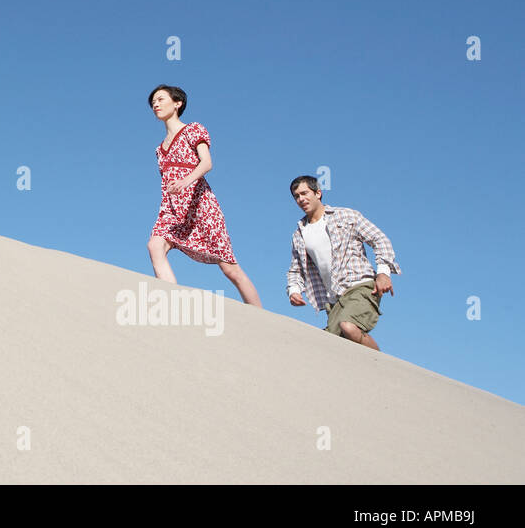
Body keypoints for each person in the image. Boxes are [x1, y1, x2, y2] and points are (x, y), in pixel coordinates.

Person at [147, 85, 261, 305]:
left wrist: (184, 182)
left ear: (177, 103)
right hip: (172, 209)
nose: (155, 104)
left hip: (201, 205)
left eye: (160, 99)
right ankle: (172, 300)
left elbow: (207, 163)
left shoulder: (193, 130)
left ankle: (265, 318)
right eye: (153, 102)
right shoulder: (159, 149)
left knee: (229, 268)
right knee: (155, 245)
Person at [286, 176, 399, 351]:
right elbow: (296, 268)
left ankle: (384, 365)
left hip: (361, 286)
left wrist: (383, 272)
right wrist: (294, 290)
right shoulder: (300, 233)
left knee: (348, 327)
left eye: (304, 193)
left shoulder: (346, 215)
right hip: (334, 299)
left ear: (318, 193)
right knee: (329, 347)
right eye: (296, 196)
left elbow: (380, 239)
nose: (301, 199)